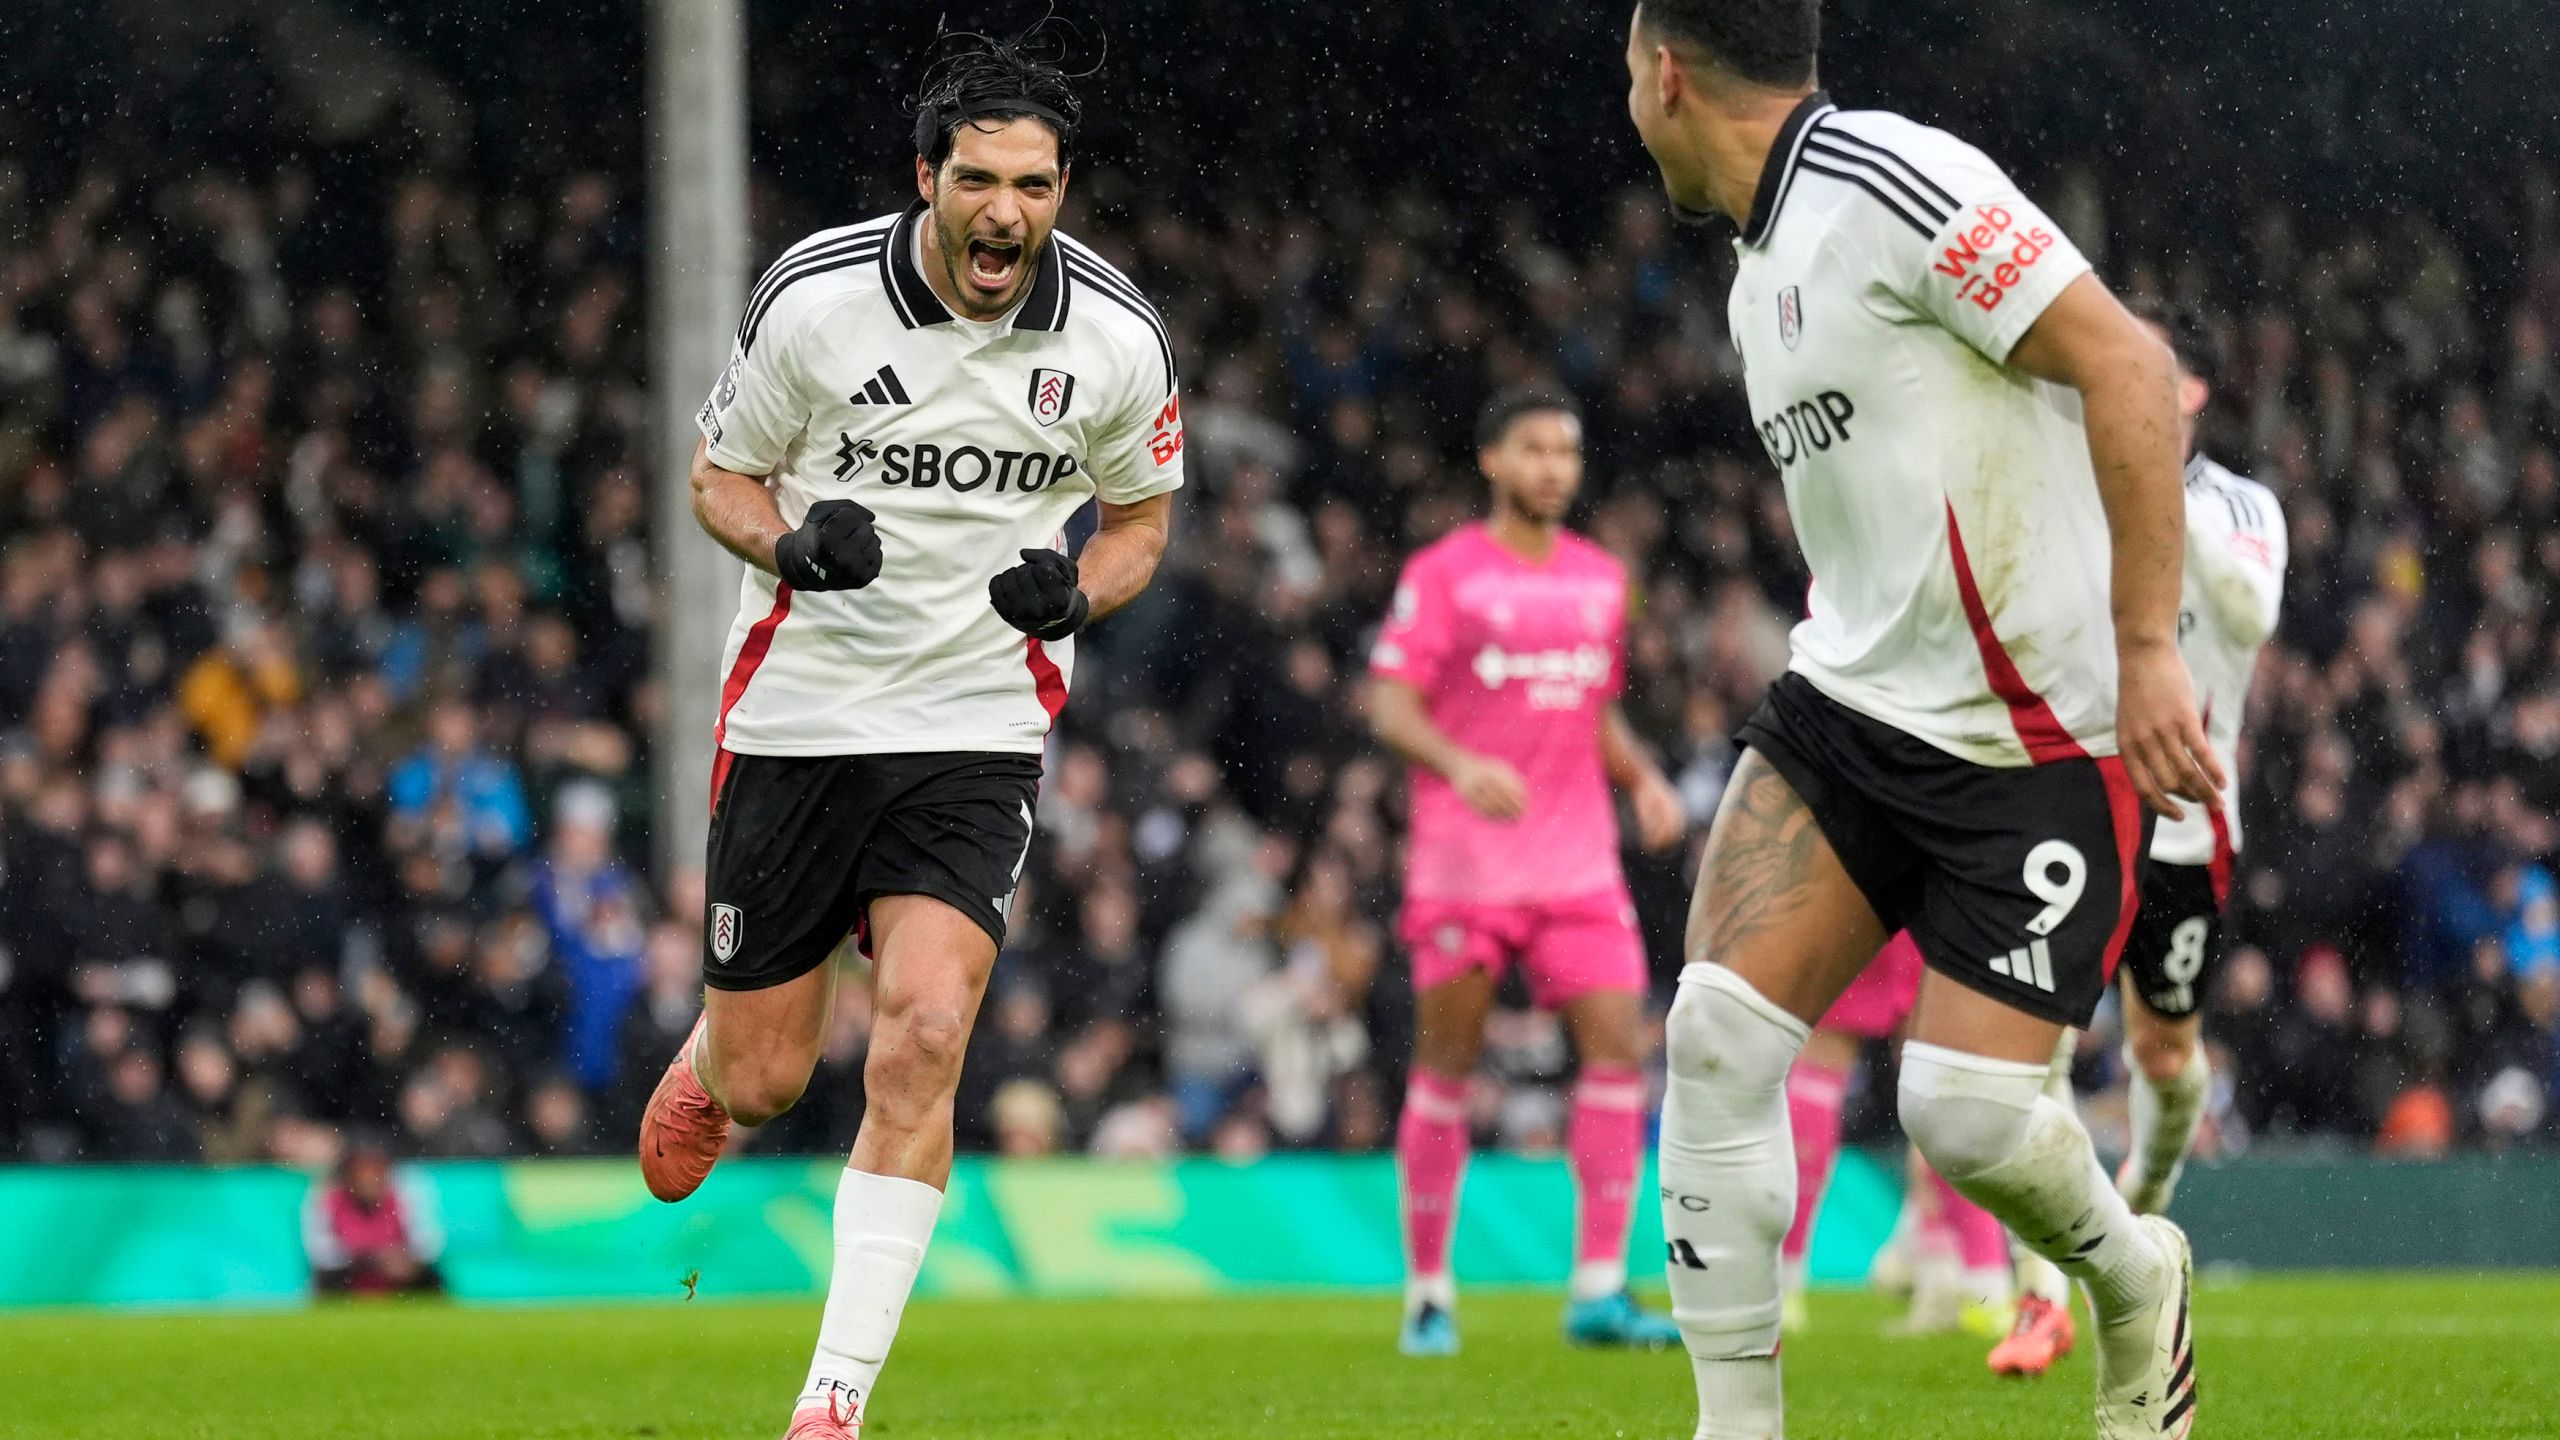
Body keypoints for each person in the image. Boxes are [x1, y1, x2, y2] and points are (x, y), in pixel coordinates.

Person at [1622, 4, 2219, 1437]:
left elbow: (2130, 366)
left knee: (1967, 1122)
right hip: (1853, 712)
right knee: (1712, 1037)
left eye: (1626, 77)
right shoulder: (1756, 267)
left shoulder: (1890, 179)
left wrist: (2148, 650)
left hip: (2039, 743)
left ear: (1668, 74)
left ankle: (2135, 1277)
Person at [634, 23, 1184, 1440]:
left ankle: (834, 1401)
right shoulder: (816, 301)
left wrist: (1077, 593)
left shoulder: (1117, 337)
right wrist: (797, 544)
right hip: (800, 712)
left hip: (977, 718)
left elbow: (1140, 525)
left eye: (1038, 186)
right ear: (927, 176)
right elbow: (717, 480)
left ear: (1063, 191)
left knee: (928, 1030)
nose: (1009, 212)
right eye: (983, 179)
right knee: (768, 1076)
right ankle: (708, 1068)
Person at [1994, 303, 2287, 1378]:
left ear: (2189, 391)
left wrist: (2149, 479)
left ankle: (2144, 1212)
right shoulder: (2059, 485)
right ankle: (2037, 1295)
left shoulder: (2240, 505)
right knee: (2025, 1049)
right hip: (2064, 805)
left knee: (2163, 1051)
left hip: (2187, 823)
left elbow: (2249, 616)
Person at [1367, 388, 1687, 1355]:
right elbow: (1389, 704)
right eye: (1534, 450)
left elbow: (1590, 709)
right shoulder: (1446, 574)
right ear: (1492, 462)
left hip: (1578, 863)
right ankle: (1429, 1292)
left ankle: (1597, 1289)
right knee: (1447, 1071)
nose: (1554, 467)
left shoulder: (1601, 580)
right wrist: (1461, 763)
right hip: (1467, 867)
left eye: (1567, 452)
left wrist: (1643, 778)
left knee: (1618, 1057)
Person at [1778, 933, 2014, 1338]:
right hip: (1939, 891)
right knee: (1942, 1063)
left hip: (1858, 891)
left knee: (1824, 1056)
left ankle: (1780, 1285)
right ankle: (1984, 1286)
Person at [304, 1139, 446, 1296]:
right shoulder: (327, 1199)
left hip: (399, 1271)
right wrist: (370, 1259)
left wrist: (403, 1256)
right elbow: (321, 1252)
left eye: (375, 1173)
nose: (368, 1180)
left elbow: (429, 1244)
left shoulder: (405, 1195)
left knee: (431, 1277)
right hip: (349, 1273)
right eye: (361, 1174)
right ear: (349, 1177)